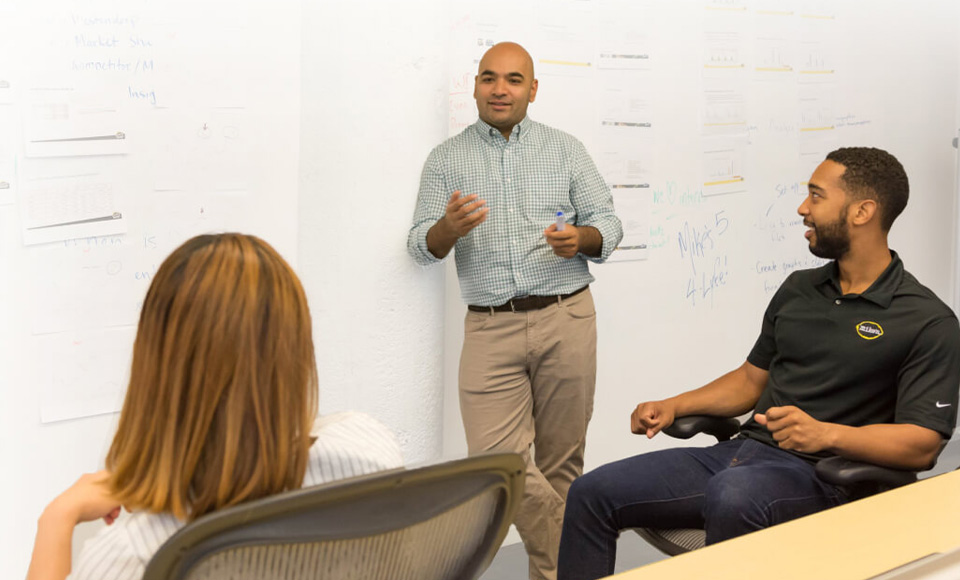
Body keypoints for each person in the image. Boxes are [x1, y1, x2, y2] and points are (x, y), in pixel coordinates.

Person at [557, 147, 960, 580]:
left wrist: (825, 433)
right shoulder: (800, 288)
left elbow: (922, 444)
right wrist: (676, 404)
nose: (803, 209)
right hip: (742, 455)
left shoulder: (926, 320)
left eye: (817, 196)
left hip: (828, 477)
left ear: (863, 211)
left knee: (734, 496)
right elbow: (751, 380)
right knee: (590, 492)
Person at [27, 233, 403, 580]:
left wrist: (57, 519)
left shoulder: (138, 553)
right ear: (296, 350)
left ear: (157, 366)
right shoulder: (368, 448)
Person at [407, 42, 622, 580]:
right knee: (501, 468)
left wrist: (582, 238)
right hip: (488, 327)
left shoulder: (566, 150)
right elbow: (419, 246)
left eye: (513, 79)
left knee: (561, 466)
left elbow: (609, 224)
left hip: (566, 316)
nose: (499, 89)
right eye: (488, 78)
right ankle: (584, 553)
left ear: (532, 89)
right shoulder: (446, 159)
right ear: (475, 86)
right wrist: (447, 230)